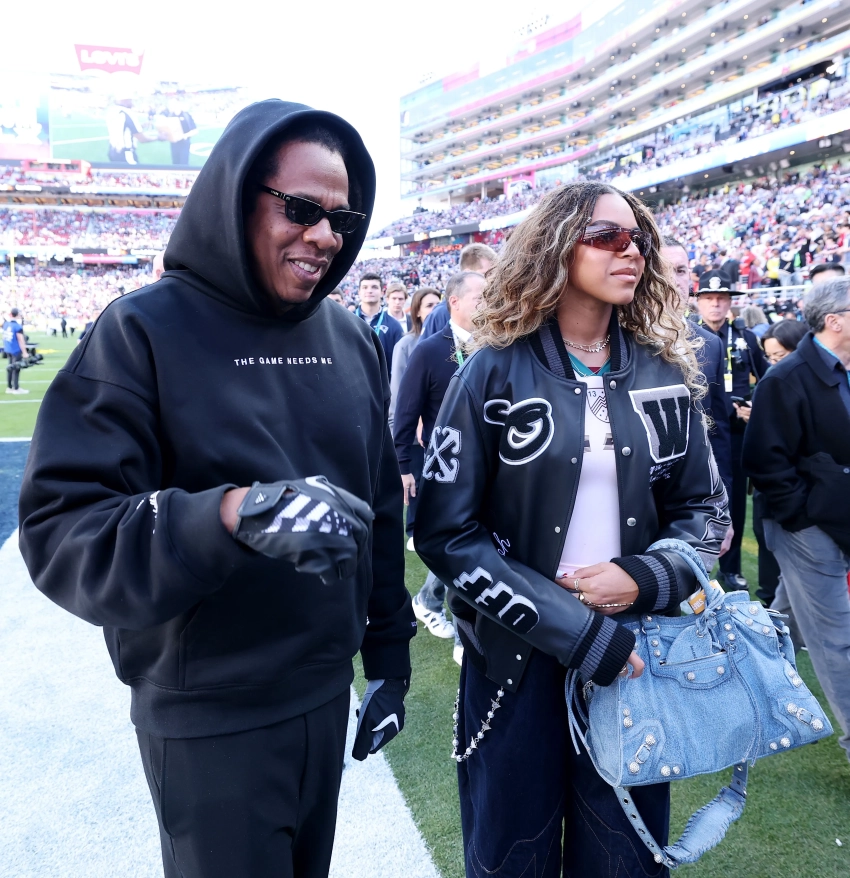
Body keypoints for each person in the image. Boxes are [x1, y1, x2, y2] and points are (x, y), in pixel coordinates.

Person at [18, 100, 415, 878]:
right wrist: (228, 515)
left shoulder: (349, 336)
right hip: (209, 715)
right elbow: (62, 530)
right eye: (301, 209)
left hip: (323, 694)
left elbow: (378, 508)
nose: (325, 237)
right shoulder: (140, 332)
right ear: (236, 197)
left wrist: (391, 659)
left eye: (341, 219)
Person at [416, 181, 729, 878]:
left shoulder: (662, 370)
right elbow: (443, 532)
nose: (632, 252)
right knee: (512, 859)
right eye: (607, 236)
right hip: (513, 661)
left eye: (639, 240)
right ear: (555, 246)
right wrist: (577, 631)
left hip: (636, 660)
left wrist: (643, 579)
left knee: (626, 860)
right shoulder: (492, 370)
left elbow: (707, 513)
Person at [743, 278, 850, 764]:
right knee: (836, 639)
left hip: (835, 519)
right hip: (806, 529)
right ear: (834, 321)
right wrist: (803, 516)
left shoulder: (840, 369)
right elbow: (764, 461)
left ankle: (743, 674)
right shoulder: (785, 378)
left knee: (784, 620)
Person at [395, 272, 485, 665]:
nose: (488, 304)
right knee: (460, 548)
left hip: (491, 467)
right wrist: (404, 466)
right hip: (447, 470)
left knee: (479, 547)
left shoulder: (496, 344)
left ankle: (429, 600)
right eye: (481, 297)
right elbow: (405, 413)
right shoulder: (430, 350)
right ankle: (464, 638)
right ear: (455, 302)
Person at [694, 269, 767, 590]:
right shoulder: (686, 336)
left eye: (721, 298)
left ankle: (731, 567)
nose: (715, 304)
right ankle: (693, 566)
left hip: (736, 434)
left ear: (730, 302)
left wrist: (752, 405)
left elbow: (767, 380)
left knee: (734, 498)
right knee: (692, 497)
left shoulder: (745, 338)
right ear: (698, 302)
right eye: (709, 298)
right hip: (699, 430)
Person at [661, 237, 733, 495]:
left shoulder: (711, 344)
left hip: (696, 493)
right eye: (662, 270)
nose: (674, 281)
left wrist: (722, 497)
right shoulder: (619, 336)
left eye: (681, 271)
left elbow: (717, 429)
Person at [746, 319, 809, 612]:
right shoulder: (773, 383)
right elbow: (761, 455)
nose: (773, 364)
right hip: (778, 502)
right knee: (781, 576)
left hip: (804, 501)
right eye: (769, 358)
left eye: (780, 356)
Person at [388, 286, 441, 550]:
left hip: (437, 427)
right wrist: (416, 423)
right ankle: (413, 529)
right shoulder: (406, 344)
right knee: (416, 480)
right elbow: (401, 393)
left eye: (437, 305)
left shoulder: (445, 344)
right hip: (415, 427)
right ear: (417, 312)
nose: (435, 311)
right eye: (429, 306)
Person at [421, 242, 497, 339]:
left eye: (494, 275)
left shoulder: (496, 306)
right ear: (467, 273)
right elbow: (425, 347)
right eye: (487, 274)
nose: (492, 280)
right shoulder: (440, 315)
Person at [355, 272, 403, 379]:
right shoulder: (346, 321)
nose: (369, 290)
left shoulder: (394, 325)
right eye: (365, 287)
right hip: (353, 383)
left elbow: (399, 362)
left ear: (382, 292)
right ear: (359, 292)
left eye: (374, 287)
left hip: (382, 383)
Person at [107, 94, 160, 165]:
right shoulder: (127, 112)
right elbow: (142, 139)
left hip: (113, 151)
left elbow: (122, 128)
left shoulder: (112, 111)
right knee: (134, 171)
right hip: (126, 153)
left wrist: (141, 126)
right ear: (125, 100)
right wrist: (158, 138)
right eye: (130, 100)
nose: (132, 103)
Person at [165, 99, 199, 166]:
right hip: (174, 144)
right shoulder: (170, 115)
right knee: (175, 164)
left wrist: (184, 136)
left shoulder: (186, 115)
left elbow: (195, 131)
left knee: (184, 164)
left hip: (184, 143)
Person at [3, 307, 29, 395]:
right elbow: (21, 340)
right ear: (17, 314)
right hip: (16, 350)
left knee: (10, 368)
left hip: (8, 349)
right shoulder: (17, 326)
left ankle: (9, 387)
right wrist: (25, 352)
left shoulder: (6, 324)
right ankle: (16, 388)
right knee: (16, 369)